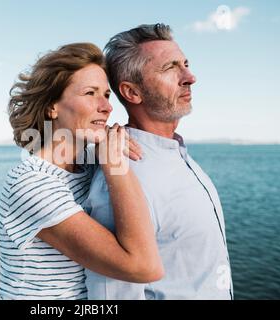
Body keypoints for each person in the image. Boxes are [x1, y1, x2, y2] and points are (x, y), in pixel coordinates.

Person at [0, 43, 163, 300]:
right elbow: (144, 267)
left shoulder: (89, 163)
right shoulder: (31, 183)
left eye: (106, 95)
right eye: (90, 93)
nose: (106, 107)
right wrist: (113, 164)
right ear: (52, 106)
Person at [85, 23, 233, 300]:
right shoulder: (122, 176)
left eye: (185, 64)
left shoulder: (175, 153)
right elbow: (111, 296)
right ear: (132, 93)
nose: (190, 76)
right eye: (170, 68)